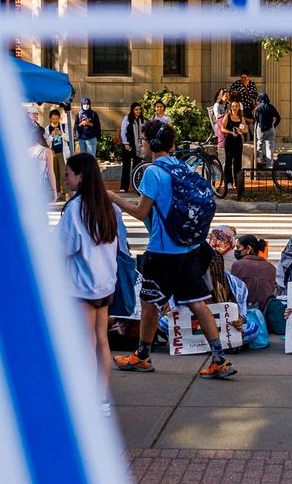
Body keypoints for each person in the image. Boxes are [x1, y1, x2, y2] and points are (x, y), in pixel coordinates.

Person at [108, 120, 236, 379]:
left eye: (143, 141)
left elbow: (141, 211)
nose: (141, 145)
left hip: (162, 251)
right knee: (199, 303)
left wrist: (114, 198)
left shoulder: (153, 172)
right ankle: (219, 359)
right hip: (188, 249)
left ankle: (142, 357)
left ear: (153, 144)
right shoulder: (182, 167)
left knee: (149, 303)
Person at [57, 153, 120, 410]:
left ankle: (85, 400)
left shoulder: (74, 209)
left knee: (85, 342)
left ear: (80, 176)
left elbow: (61, 247)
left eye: (69, 174)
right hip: (105, 283)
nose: (65, 178)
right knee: (101, 340)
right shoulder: (107, 206)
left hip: (82, 285)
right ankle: (101, 398)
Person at [230, 235, 277, 311]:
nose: (236, 250)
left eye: (238, 247)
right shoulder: (271, 267)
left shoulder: (238, 265)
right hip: (266, 313)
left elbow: (234, 292)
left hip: (244, 312)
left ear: (248, 248)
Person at [28, 107, 58, 202]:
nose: (35, 115)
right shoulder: (47, 152)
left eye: (36, 114)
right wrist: (54, 191)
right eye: (33, 114)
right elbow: (50, 173)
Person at [221, 101, 247, 189]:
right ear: (230, 107)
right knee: (228, 162)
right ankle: (228, 182)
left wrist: (240, 130)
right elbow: (222, 128)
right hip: (229, 141)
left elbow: (245, 129)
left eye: (236, 106)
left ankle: (237, 182)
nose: (235, 108)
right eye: (233, 106)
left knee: (238, 162)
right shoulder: (227, 117)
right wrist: (231, 132)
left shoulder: (241, 118)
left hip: (238, 141)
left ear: (239, 107)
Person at [119, 102, 145, 192]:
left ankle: (137, 186)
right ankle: (124, 187)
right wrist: (125, 143)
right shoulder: (127, 118)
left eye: (139, 109)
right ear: (132, 110)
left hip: (138, 147)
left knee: (137, 166)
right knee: (126, 166)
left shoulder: (142, 120)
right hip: (128, 146)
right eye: (136, 109)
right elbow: (123, 131)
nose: (138, 111)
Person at [45, 109, 70, 201]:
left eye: (57, 119)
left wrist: (61, 134)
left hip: (62, 153)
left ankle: (66, 193)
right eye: (53, 119)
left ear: (59, 118)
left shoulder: (64, 126)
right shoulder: (47, 129)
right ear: (50, 119)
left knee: (63, 173)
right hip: (52, 154)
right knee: (55, 173)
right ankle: (58, 192)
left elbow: (69, 139)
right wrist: (51, 135)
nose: (55, 121)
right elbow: (47, 143)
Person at [253, 92, 281, 169]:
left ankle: (259, 160)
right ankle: (269, 166)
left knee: (260, 143)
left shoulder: (258, 108)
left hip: (261, 129)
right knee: (270, 148)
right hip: (270, 129)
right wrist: (274, 126)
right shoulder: (271, 107)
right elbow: (278, 117)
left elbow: (256, 119)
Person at [212, 89, 230, 166]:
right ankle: (222, 164)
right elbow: (218, 118)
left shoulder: (229, 104)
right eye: (225, 95)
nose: (227, 97)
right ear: (221, 96)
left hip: (227, 125)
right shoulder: (217, 105)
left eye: (228, 96)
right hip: (219, 126)